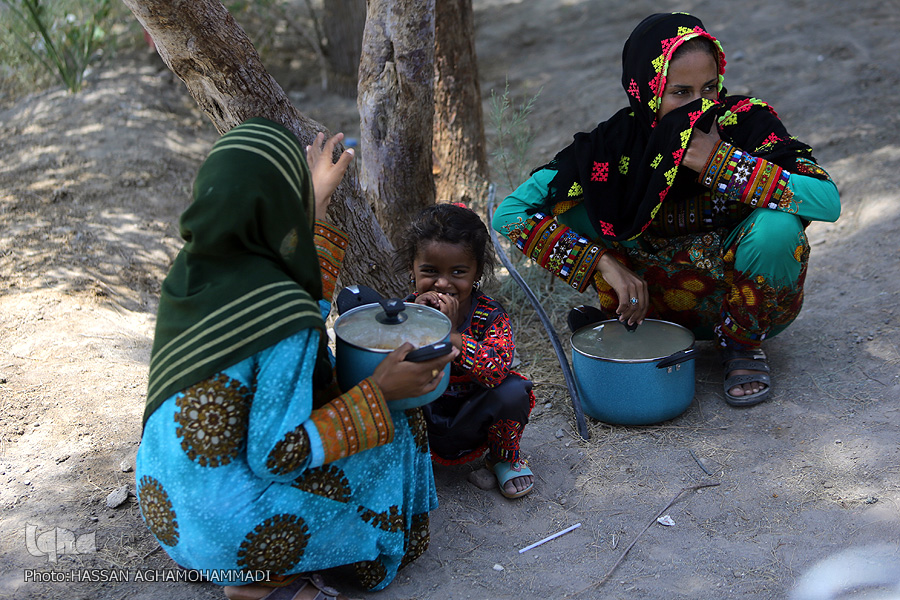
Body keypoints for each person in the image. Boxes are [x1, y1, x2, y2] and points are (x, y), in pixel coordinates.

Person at [135, 118, 458, 600]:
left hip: (170, 513)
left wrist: (313, 205)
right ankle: (266, 579)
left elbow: (296, 284)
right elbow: (276, 456)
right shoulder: (282, 314)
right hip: (230, 532)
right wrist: (379, 393)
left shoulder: (194, 271)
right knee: (400, 427)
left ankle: (242, 569)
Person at [492, 12, 840, 407]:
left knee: (778, 227)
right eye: (680, 93)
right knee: (576, 207)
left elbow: (827, 201)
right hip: (649, 300)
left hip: (743, 300)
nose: (699, 107)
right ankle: (628, 324)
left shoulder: (744, 122)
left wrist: (723, 163)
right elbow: (510, 212)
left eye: (709, 89)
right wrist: (602, 263)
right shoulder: (614, 145)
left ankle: (741, 347)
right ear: (647, 92)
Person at [396, 203, 537, 498]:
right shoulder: (405, 311)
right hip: (424, 418)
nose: (443, 283)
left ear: (476, 273)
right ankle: (405, 460)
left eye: (458, 271)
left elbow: (497, 370)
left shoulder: (490, 316)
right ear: (412, 269)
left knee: (514, 390)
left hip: (471, 417)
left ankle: (501, 458)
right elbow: (390, 364)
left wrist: (453, 338)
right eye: (430, 271)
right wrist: (418, 325)